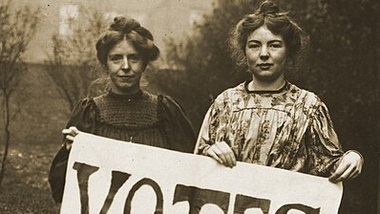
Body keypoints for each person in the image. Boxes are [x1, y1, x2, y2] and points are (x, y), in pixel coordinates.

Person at [195, 1, 363, 182]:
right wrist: (209, 152)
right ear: (244, 52)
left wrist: (353, 158)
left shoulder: (308, 106)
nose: (264, 54)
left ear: (288, 52)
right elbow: (196, 165)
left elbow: (329, 164)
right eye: (254, 45)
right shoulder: (225, 103)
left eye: (274, 45)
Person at [48, 16, 196, 203]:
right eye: (116, 58)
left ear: (144, 64)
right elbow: (61, 190)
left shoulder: (165, 112)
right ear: (105, 64)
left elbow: (192, 178)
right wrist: (71, 152)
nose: (125, 67)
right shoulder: (89, 113)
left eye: (134, 58)